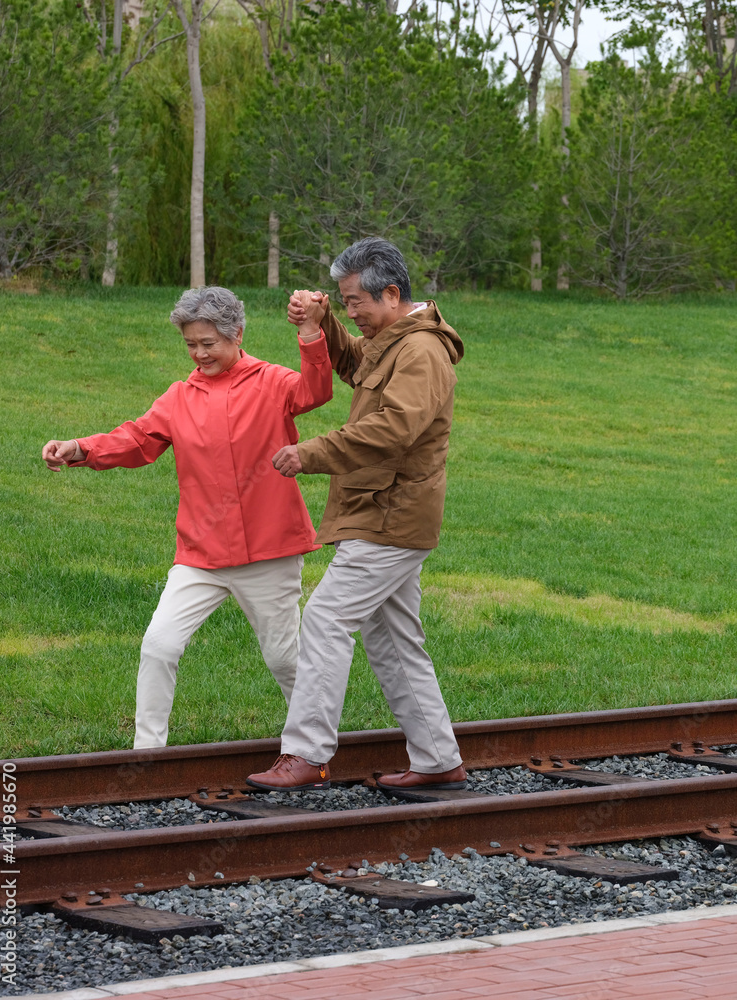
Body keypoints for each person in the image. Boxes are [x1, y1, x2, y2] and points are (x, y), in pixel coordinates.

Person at [41, 286, 332, 748]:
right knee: (159, 645)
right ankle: (147, 755)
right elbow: (137, 441)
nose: (198, 354)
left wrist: (311, 332)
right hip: (200, 555)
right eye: (190, 345)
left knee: (284, 660)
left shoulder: (273, 382)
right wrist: (80, 448)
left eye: (207, 344)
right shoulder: (179, 397)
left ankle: (312, 750)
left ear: (236, 334)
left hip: (271, 550)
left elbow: (316, 390)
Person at [246, 237, 466, 793]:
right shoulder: (394, 339)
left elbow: (395, 427)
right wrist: (323, 324)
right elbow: (356, 366)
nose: (352, 313)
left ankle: (306, 754)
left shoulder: (421, 352)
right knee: (393, 640)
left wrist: (312, 453)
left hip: (391, 516)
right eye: (343, 302)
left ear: (391, 294)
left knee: (325, 620)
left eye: (353, 303)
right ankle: (439, 759)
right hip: (381, 511)